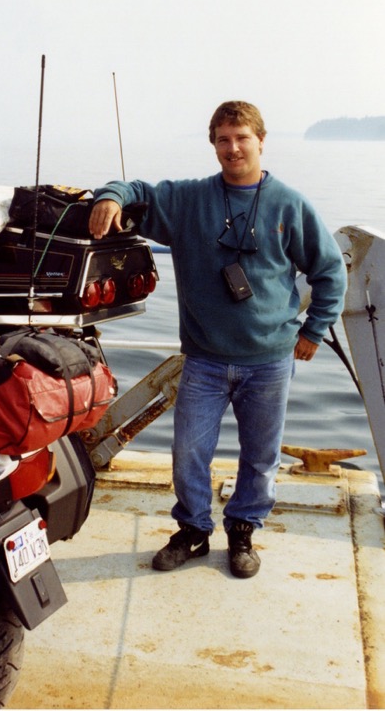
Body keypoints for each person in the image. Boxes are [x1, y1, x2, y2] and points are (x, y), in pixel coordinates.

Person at [88, 101, 347, 579]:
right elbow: (139, 190)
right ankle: (193, 531)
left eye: (242, 137)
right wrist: (111, 197)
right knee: (188, 450)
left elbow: (330, 270)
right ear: (213, 145)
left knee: (261, 457)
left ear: (261, 141)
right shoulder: (189, 200)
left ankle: (244, 529)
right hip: (205, 360)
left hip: (269, 359)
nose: (233, 148)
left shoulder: (289, 203)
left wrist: (313, 329)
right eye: (223, 139)